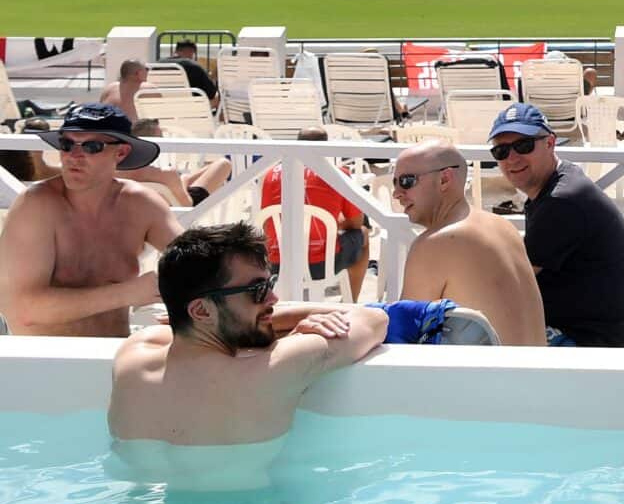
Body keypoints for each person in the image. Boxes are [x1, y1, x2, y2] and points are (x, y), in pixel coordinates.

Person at [109, 223, 388, 461]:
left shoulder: (133, 356)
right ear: (202, 311)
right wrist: (294, 322)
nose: (274, 300)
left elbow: (185, 334)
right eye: (257, 290)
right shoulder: (275, 367)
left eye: (270, 284)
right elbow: (374, 319)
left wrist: (260, 318)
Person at [0, 104, 183, 337]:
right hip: (44, 362)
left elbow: (200, 264)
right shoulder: (36, 206)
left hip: (117, 356)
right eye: (66, 145)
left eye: (92, 146)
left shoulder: (141, 204)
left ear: (121, 153)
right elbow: (22, 308)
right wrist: (126, 293)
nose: (74, 156)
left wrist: (190, 310)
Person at [488, 103, 624, 346]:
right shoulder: (560, 181)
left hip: (585, 343)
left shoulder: (561, 201)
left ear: (550, 143)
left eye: (523, 145)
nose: (512, 158)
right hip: (588, 330)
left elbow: (511, 282)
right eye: (501, 152)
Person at [389, 142, 547, 345]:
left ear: (444, 179)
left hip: (490, 376)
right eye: (394, 183)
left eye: (406, 181)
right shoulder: (504, 227)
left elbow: (403, 340)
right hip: (539, 372)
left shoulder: (435, 245)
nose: (397, 193)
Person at [99, 60, 232, 207]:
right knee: (223, 164)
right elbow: (187, 207)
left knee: (186, 177)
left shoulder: (108, 172)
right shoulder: (166, 174)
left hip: (151, 192)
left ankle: (183, 182)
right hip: (181, 206)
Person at [257, 130, 371, 300]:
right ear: (325, 148)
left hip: (278, 264)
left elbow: (267, 223)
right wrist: (333, 224)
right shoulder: (337, 173)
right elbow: (356, 223)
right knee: (363, 234)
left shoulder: (270, 174)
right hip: (320, 265)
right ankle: (350, 300)